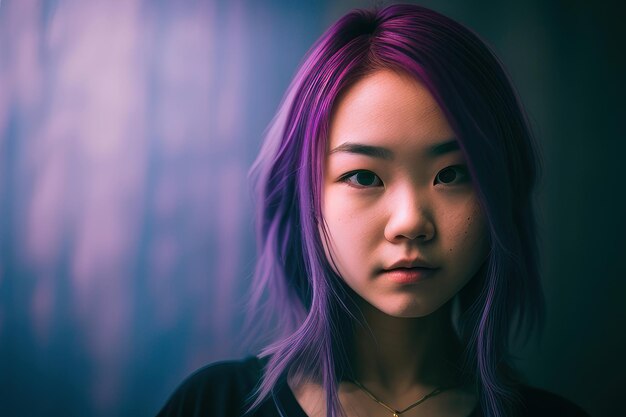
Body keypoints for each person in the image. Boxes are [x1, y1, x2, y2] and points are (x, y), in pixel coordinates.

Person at [157, 4, 590, 417]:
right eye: (364, 177)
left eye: (452, 174)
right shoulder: (213, 405)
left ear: (501, 187)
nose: (410, 223)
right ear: (304, 196)